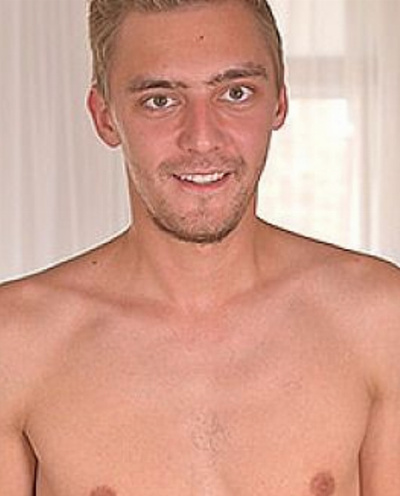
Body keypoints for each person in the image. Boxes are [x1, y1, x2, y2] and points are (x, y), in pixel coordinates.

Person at [1, 0, 399, 494]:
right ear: (105, 117)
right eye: (160, 100)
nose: (202, 139)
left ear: (279, 103)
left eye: (235, 93)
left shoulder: (378, 319)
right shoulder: (17, 343)